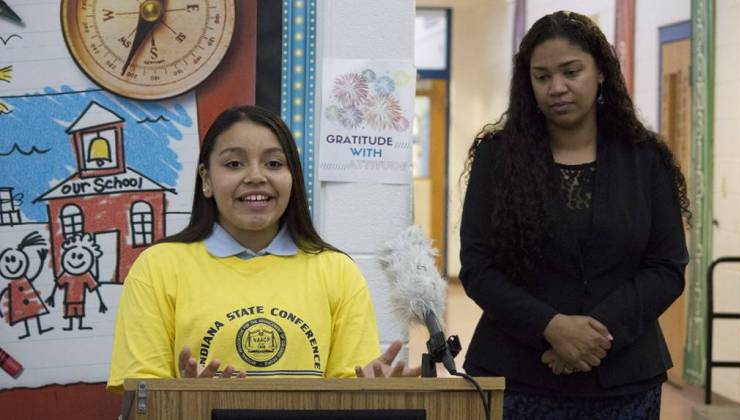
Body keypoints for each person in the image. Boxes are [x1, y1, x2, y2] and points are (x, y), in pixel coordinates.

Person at [459, 11, 690, 419]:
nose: (557, 88)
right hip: (516, 375)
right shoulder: (497, 158)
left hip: (624, 380)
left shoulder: (645, 159)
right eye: (542, 76)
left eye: (571, 71)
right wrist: (551, 327)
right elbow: (478, 268)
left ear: (600, 72)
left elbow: (667, 267)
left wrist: (593, 334)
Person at [107, 105, 416, 393]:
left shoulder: (337, 271)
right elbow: (141, 398)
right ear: (206, 180)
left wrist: (374, 394)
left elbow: (344, 395)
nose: (256, 176)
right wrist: (185, 399)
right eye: (234, 164)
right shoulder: (157, 267)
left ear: (292, 177)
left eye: (273, 163)